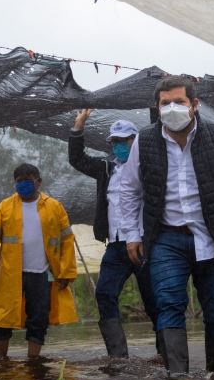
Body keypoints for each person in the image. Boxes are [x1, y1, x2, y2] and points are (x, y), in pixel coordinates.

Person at [119, 76, 214, 377]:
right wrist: (132, 234)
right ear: (157, 107)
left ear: (194, 105)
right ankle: (178, 379)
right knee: (168, 303)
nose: (172, 108)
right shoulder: (144, 141)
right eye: (165, 103)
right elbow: (129, 190)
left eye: (179, 102)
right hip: (166, 238)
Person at [68, 110, 159, 359]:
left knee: (155, 301)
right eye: (115, 142)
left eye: (124, 140)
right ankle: (118, 358)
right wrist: (78, 127)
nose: (119, 145)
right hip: (116, 246)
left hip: (145, 245)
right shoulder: (106, 169)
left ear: (135, 140)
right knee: (105, 294)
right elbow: (77, 159)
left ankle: (167, 356)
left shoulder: (149, 167)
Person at [0, 163, 78, 360]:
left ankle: (33, 362)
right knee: (2, 319)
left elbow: (67, 240)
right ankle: (1, 361)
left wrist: (66, 272)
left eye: (27, 181)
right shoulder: (4, 207)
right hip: (9, 274)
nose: (23, 185)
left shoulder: (54, 207)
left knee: (39, 318)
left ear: (38, 182)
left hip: (41, 273)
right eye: (19, 182)